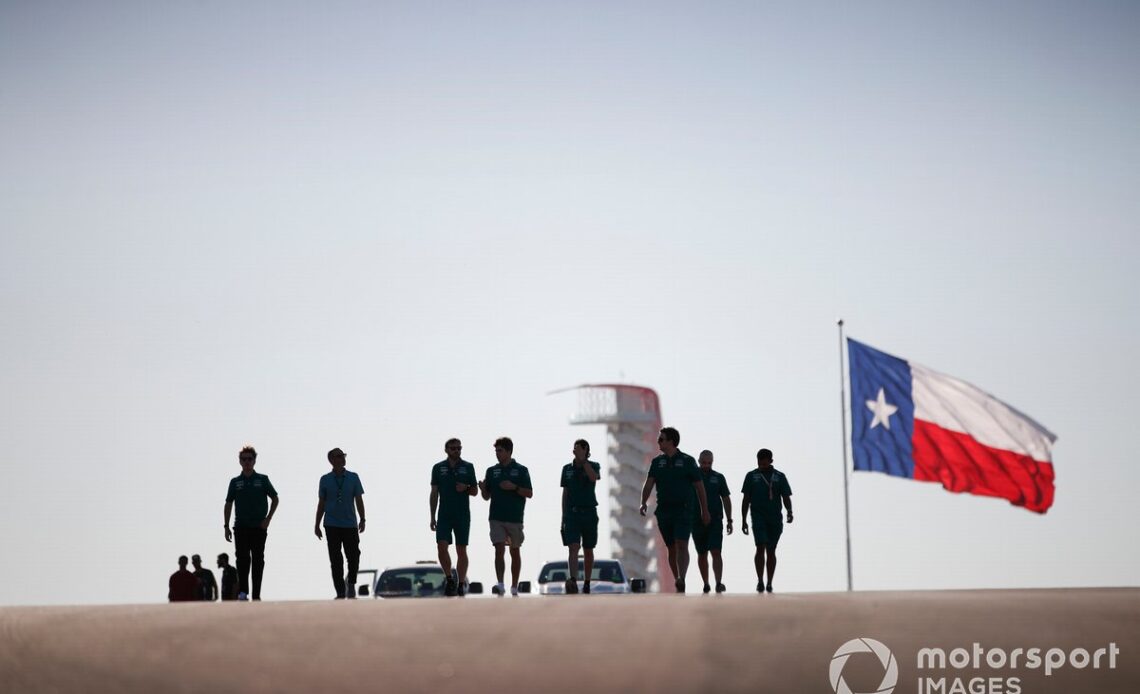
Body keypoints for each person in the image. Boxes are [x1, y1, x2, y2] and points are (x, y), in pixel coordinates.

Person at [639, 427, 710, 593]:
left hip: (684, 509)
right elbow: (649, 483)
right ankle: (676, 576)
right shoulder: (657, 462)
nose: (658, 442)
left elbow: (700, 487)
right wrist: (642, 502)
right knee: (671, 546)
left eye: (661, 439)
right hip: (664, 510)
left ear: (671, 441)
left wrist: (704, 510)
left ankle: (682, 578)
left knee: (682, 543)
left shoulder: (688, 461)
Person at [223, 445, 279, 601]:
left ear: (254, 461)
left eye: (250, 459)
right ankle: (243, 592)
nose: (247, 462)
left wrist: (268, 519)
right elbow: (228, 503)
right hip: (240, 526)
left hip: (259, 527)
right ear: (240, 461)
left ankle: (256, 594)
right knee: (242, 560)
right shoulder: (235, 482)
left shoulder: (262, 479)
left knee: (258, 560)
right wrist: (226, 526)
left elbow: (275, 498)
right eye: (244, 459)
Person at [478, 437, 533, 596]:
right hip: (496, 517)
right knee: (499, 549)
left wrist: (513, 487)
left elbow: (529, 493)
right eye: (496, 451)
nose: (497, 454)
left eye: (500, 451)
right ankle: (500, 583)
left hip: (515, 517)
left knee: (514, 551)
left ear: (509, 451)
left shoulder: (521, 470)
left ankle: (514, 585)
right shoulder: (492, 471)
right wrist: (483, 489)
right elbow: (486, 496)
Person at [314, 447, 366, 599]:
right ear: (331, 460)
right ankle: (340, 591)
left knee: (354, 555)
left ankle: (351, 583)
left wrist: (363, 518)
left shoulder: (353, 477)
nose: (342, 458)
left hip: (350, 524)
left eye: (343, 455)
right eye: (338, 456)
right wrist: (316, 524)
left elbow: (359, 499)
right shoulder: (325, 479)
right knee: (336, 560)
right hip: (331, 524)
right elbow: (321, 503)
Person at [430, 438, 479, 596]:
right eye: (453, 448)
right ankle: (449, 578)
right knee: (441, 547)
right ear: (446, 450)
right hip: (444, 514)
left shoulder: (468, 467)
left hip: (462, 514)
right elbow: (434, 493)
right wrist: (432, 516)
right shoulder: (438, 468)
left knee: (461, 549)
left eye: (459, 448)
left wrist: (466, 487)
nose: (456, 451)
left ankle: (461, 582)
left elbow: (475, 491)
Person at [741, 448, 793, 593]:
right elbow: (746, 499)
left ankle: (769, 582)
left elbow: (786, 497)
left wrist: (789, 511)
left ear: (771, 461)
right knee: (760, 546)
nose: (761, 465)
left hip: (775, 518)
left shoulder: (779, 476)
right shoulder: (751, 476)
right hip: (758, 517)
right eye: (759, 463)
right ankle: (760, 581)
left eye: (764, 463)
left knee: (771, 550)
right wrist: (743, 520)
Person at [560, 439, 601, 594]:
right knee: (573, 546)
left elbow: (593, 478)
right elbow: (565, 493)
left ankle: (587, 582)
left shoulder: (594, 465)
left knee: (588, 548)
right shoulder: (566, 469)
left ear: (585, 450)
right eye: (574, 448)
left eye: (577, 448)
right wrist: (563, 516)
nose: (574, 451)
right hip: (572, 513)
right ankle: (573, 580)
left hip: (589, 512)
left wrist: (584, 463)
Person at [691, 450, 733, 594]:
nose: (706, 465)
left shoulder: (719, 478)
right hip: (696, 520)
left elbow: (726, 498)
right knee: (702, 553)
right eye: (703, 463)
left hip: (715, 520)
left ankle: (718, 583)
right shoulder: (692, 476)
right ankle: (706, 583)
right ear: (699, 461)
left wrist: (729, 519)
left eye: (709, 463)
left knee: (716, 551)